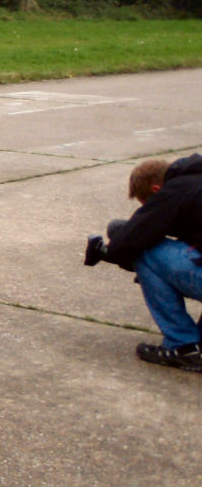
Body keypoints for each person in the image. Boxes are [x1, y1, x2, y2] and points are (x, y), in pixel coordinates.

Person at [84, 155, 202, 372]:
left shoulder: (175, 189)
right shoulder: (194, 184)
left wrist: (105, 252)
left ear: (157, 190)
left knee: (143, 250)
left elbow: (132, 238)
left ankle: (183, 346)